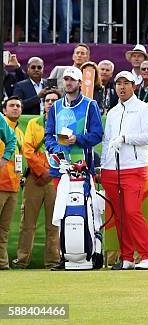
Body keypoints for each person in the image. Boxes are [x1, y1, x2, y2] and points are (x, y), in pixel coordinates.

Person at [101, 71, 148, 270]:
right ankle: (126, 258)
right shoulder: (113, 112)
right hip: (111, 170)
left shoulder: (144, 109)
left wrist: (125, 138)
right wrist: (104, 164)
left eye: (126, 83)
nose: (122, 87)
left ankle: (147, 256)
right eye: (119, 84)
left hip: (134, 168)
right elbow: (107, 141)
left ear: (134, 86)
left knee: (132, 212)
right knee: (119, 216)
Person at [12, 90, 61, 269]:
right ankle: (22, 261)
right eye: (47, 100)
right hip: (35, 178)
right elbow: (28, 150)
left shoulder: (64, 124)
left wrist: (50, 172)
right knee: (27, 223)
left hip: (55, 179)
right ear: (43, 104)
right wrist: (42, 172)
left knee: (53, 223)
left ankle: (53, 261)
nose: (50, 103)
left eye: (54, 100)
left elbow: (66, 151)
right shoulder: (34, 123)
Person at [44, 66, 104, 190]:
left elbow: (98, 135)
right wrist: (56, 149)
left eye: (72, 79)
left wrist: (77, 139)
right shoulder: (55, 106)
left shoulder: (90, 105)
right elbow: (48, 135)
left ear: (80, 83)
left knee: (84, 207)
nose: (68, 82)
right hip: (60, 167)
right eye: (66, 79)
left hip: (83, 166)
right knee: (61, 207)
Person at [0, 98, 19, 270]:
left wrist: (4, 158)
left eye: (18, 106)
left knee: (4, 229)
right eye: (11, 106)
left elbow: (11, 140)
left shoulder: (1, 120)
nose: (15, 109)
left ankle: (3, 264)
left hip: (9, 184)